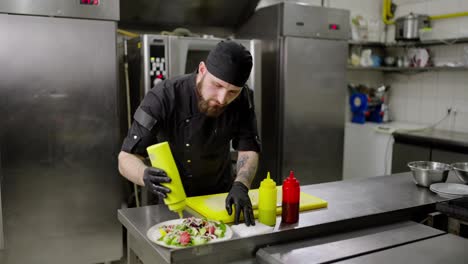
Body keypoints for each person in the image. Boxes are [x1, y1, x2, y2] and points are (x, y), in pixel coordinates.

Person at [118, 40, 261, 226]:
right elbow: (126, 158)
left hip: (220, 198)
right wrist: (143, 174)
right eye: (217, 85)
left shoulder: (243, 99)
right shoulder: (163, 96)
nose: (222, 99)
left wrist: (241, 184)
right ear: (202, 70)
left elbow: (248, 148)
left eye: (232, 92)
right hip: (172, 201)